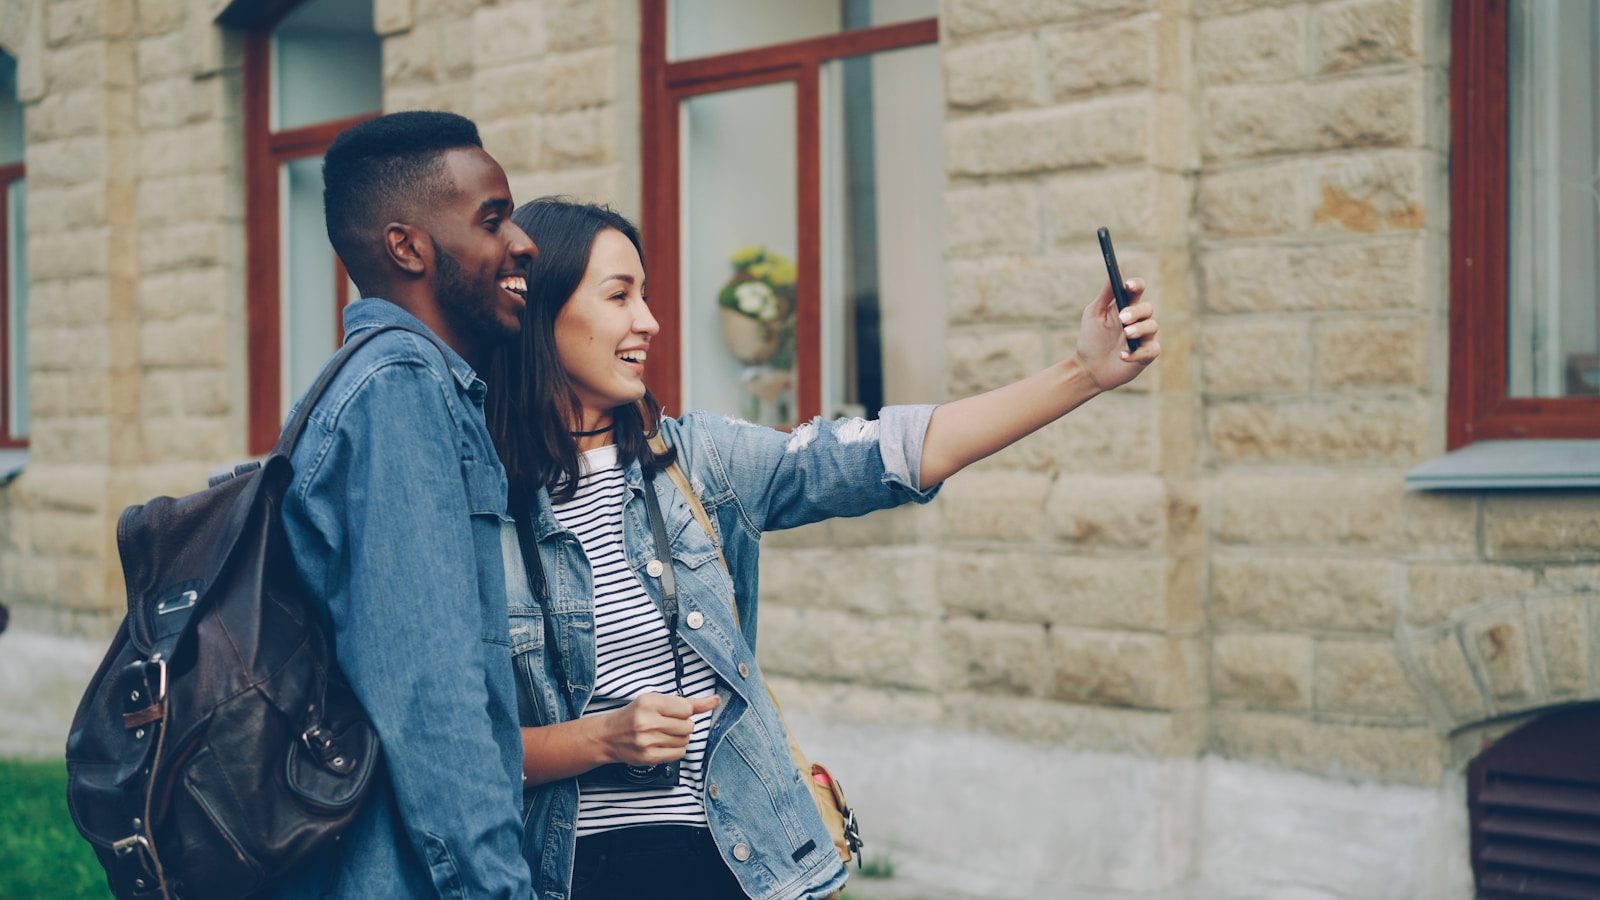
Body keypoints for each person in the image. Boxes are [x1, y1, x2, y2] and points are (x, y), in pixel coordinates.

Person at [486, 198, 1160, 900]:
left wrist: (1082, 372)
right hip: (568, 874)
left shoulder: (700, 465)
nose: (648, 321)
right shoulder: (479, 508)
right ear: (543, 313)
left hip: (732, 864)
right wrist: (602, 739)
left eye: (646, 296)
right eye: (619, 296)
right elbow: (461, 749)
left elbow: (886, 455)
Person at [269, 111, 539, 899]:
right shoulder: (400, 392)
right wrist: (496, 886)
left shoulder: (382, 383)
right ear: (407, 246)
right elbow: (430, 694)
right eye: (494, 219)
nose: (522, 243)